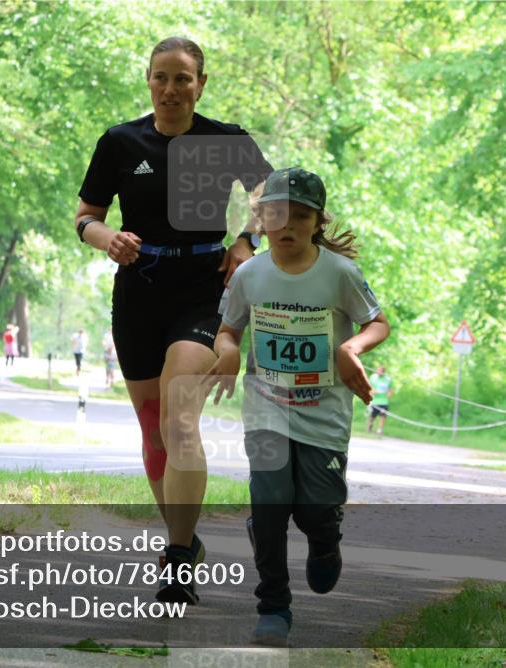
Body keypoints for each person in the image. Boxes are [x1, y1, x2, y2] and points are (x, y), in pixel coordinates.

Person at [73, 36, 273, 604]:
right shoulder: (119, 142)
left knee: (181, 414)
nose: (171, 88)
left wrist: (245, 239)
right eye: (161, 77)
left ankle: (179, 556)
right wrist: (107, 238)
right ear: (149, 81)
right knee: (155, 429)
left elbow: (272, 198)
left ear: (200, 85)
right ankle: (183, 538)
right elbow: (85, 217)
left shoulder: (227, 140)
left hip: (203, 291)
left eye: (183, 78)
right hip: (138, 292)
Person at [205, 167, 390, 646]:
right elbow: (229, 328)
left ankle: (325, 539)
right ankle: (273, 607)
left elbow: (377, 323)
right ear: (261, 219)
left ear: (317, 223)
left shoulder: (340, 273)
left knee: (313, 510)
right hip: (266, 405)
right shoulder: (249, 273)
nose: (287, 226)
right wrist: (226, 349)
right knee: (269, 502)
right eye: (276, 215)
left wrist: (351, 350)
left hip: (324, 413)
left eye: (300, 217)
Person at [366, 365, 392, 435]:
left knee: (383, 416)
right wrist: (372, 391)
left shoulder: (388, 379)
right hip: (375, 401)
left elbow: (390, 390)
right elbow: (368, 388)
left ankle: (380, 430)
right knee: (372, 416)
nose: (378, 372)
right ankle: (369, 427)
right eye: (378, 370)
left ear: (383, 372)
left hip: (384, 401)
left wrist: (389, 395)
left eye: (380, 371)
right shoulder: (373, 378)